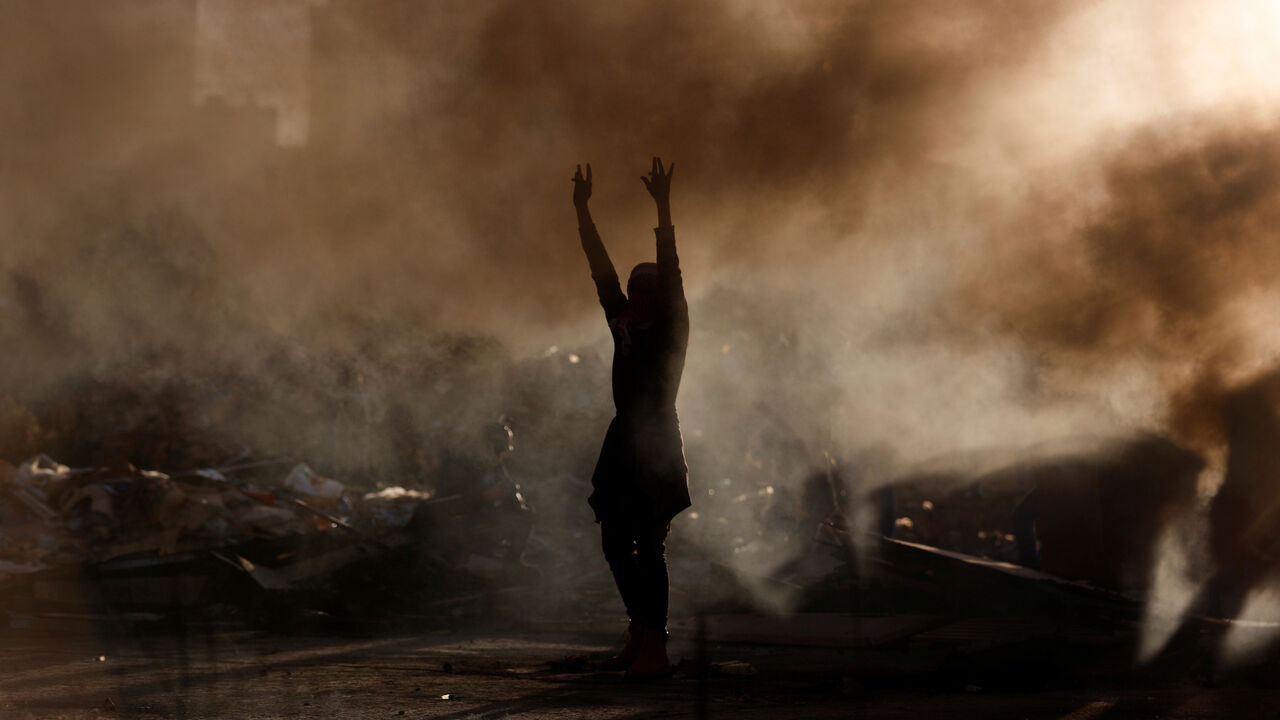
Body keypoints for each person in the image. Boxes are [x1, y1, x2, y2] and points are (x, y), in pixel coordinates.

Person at [572, 158, 691, 679]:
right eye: (634, 291)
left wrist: (662, 208)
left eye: (649, 292)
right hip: (623, 442)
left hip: (657, 443)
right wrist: (582, 211)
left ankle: (656, 646)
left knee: (650, 544)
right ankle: (639, 630)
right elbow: (600, 271)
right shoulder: (621, 324)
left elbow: (673, 269)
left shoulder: (671, 331)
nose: (639, 298)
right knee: (615, 541)